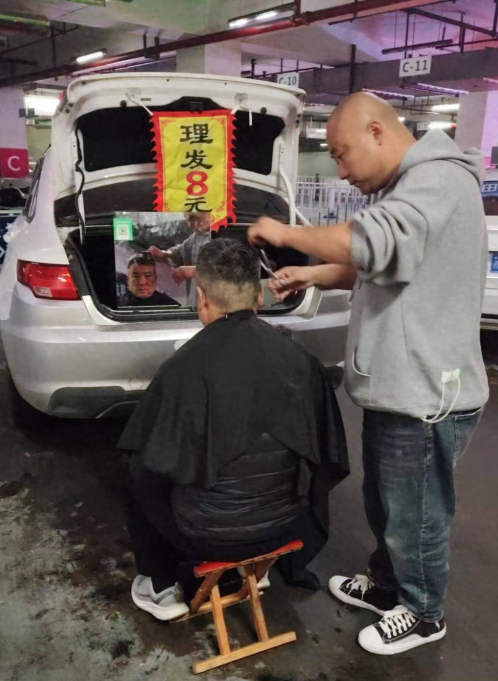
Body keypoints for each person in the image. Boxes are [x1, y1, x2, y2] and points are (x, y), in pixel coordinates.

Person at [248, 92, 489, 655]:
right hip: (398, 387)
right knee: (387, 503)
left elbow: (368, 241)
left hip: (427, 393)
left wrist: (286, 234)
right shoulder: (407, 187)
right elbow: (377, 265)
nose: (340, 170)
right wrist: (312, 277)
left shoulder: (436, 180)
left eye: (340, 154)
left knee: (416, 514)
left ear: (377, 132)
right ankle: (387, 586)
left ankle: (423, 612)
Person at [118, 238, 349, 621]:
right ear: (259, 296)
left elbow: (150, 464)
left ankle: (159, 584)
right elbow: (328, 455)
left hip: (201, 537)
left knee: (132, 462)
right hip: (284, 527)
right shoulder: (302, 361)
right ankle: (258, 569)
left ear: (201, 298)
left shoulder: (182, 368)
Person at [149, 212, 211, 307]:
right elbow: (180, 252)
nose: (190, 225)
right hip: (195, 301)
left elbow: (227, 268)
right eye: (188, 220)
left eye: (193, 218)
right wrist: (164, 254)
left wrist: (195, 270)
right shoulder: (197, 237)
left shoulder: (224, 233)